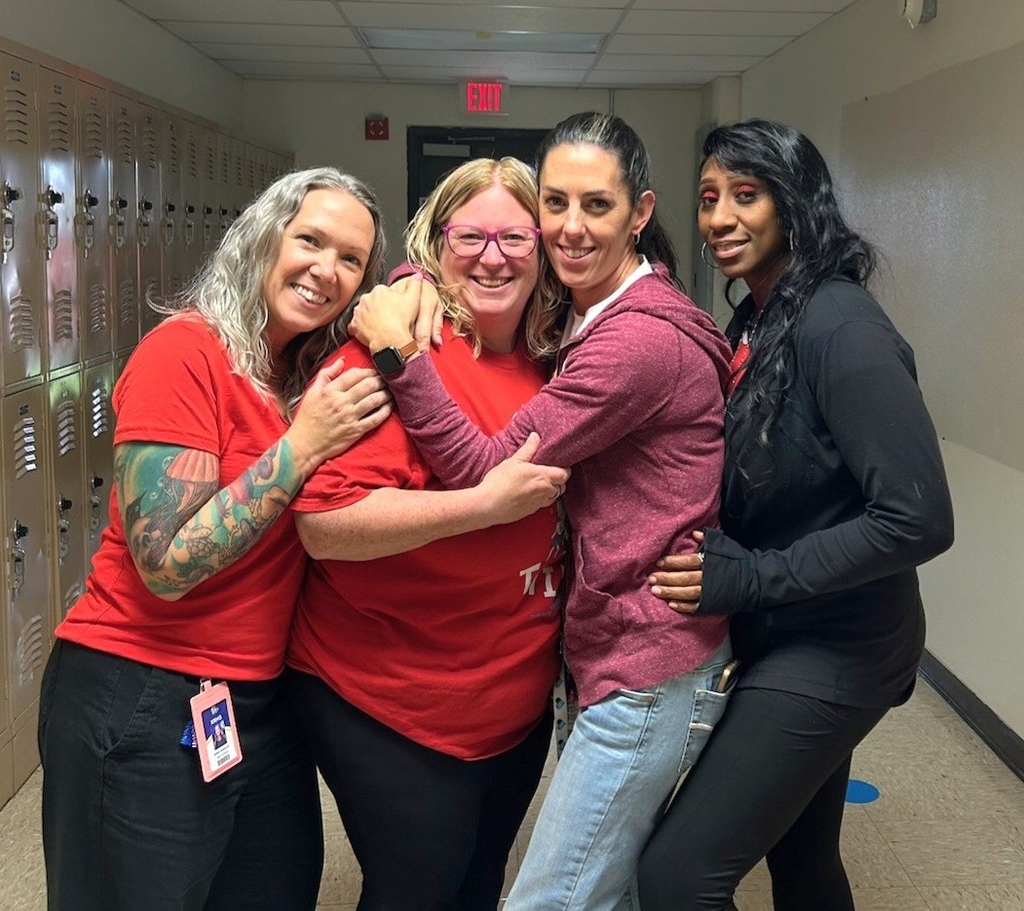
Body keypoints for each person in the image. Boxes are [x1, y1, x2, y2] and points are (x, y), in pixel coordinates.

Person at [347, 112, 736, 911]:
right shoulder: (586, 313)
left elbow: (486, 470)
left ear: (641, 212)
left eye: (596, 205)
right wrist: (415, 277)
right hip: (613, 652)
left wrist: (400, 355)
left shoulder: (632, 342)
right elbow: (479, 263)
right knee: (609, 886)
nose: (569, 227)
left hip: (646, 663)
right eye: (554, 204)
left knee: (549, 899)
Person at [36, 167, 400, 911]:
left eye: (352, 259)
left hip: (251, 700)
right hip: (138, 686)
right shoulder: (187, 353)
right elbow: (167, 562)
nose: (325, 270)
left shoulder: (297, 371)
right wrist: (304, 446)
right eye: (310, 240)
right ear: (265, 237)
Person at [635, 120, 955, 911]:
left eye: (746, 195)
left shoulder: (837, 324)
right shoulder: (761, 315)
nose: (720, 218)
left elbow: (917, 518)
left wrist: (751, 578)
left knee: (677, 876)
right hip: (788, 625)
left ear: (796, 205)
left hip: (840, 643)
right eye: (709, 198)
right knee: (801, 859)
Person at [284, 156, 571, 911]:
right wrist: (481, 506)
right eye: (469, 235)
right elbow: (323, 524)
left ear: (544, 250)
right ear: (436, 244)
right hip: (388, 700)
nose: (493, 254)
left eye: (516, 236)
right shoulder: (387, 353)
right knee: (420, 887)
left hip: (512, 701)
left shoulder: (559, 354)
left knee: (479, 882)